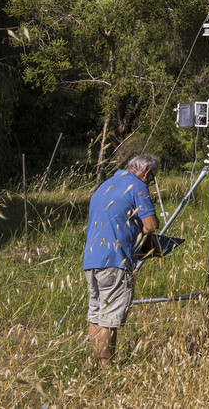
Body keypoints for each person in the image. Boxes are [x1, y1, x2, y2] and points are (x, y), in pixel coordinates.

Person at [82, 153, 159, 366]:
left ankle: (98, 364)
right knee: (110, 318)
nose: (152, 182)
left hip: (91, 258)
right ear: (147, 173)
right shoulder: (137, 186)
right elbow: (151, 225)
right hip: (115, 260)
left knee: (96, 315)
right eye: (153, 178)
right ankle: (108, 370)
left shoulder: (106, 185)